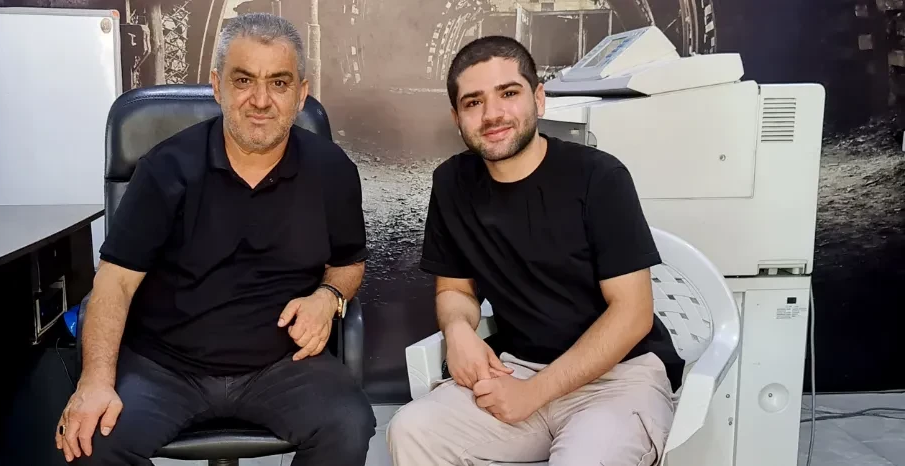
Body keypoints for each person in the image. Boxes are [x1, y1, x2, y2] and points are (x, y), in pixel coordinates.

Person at [54, 13, 375, 466]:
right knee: (91, 440)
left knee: (348, 424)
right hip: (163, 367)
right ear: (217, 86)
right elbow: (115, 282)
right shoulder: (165, 169)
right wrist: (95, 382)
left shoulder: (332, 170)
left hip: (282, 367)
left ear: (301, 94)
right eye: (243, 80)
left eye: (279, 83)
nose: (260, 100)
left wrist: (328, 297)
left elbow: (348, 264)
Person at [386, 36, 685, 465]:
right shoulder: (452, 183)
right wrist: (458, 331)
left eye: (508, 93)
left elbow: (633, 313)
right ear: (456, 118)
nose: (492, 114)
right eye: (473, 102)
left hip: (618, 377)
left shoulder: (598, 177)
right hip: (517, 368)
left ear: (538, 99)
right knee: (411, 430)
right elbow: (455, 289)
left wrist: (533, 394)